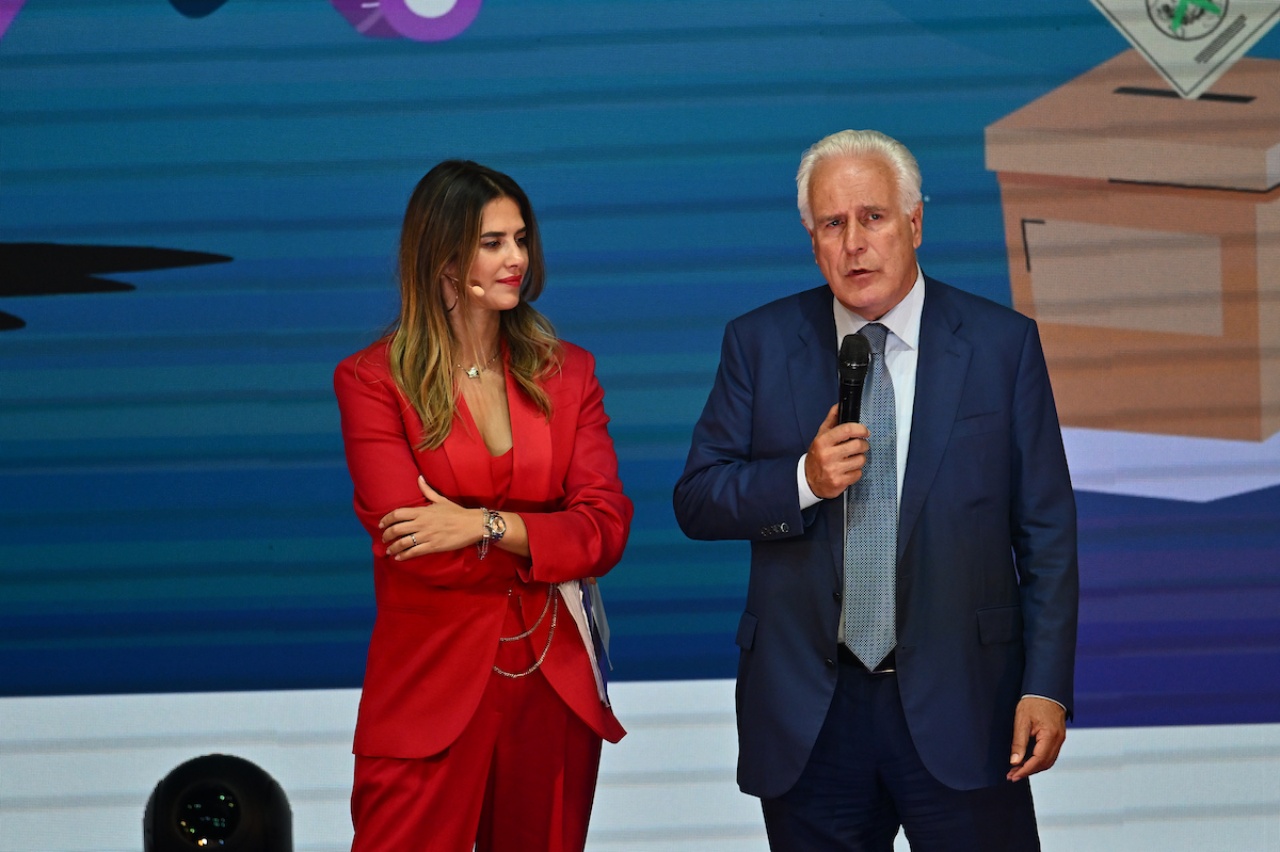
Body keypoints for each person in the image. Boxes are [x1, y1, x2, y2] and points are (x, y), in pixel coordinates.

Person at [673, 130, 1078, 851]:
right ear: (812, 240)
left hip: (965, 701)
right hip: (812, 715)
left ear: (915, 223)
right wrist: (802, 480)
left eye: (873, 217)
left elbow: (1045, 532)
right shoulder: (760, 344)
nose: (854, 243)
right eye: (833, 224)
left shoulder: (1000, 345)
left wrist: (1045, 685)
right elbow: (698, 499)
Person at [334, 160, 631, 852]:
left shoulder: (571, 372)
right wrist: (546, 539)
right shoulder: (372, 381)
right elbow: (414, 548)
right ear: (442, 257)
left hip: (553, 682)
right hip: (429, 686)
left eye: (520, 239)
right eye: (492, 243)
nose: (516, 259)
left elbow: (605, 529)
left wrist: (479, 525)